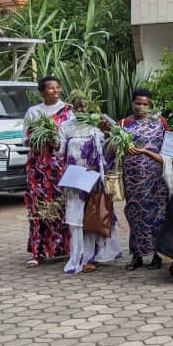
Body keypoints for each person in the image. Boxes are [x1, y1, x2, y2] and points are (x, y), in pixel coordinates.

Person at [56, 94, 122, 274]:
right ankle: (77, 256)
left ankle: (92, 257)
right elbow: (59, 152)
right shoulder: (65, 127)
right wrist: (51, 141)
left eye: (85, 107)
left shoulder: (97, 126)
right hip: (75, 179)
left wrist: (108, 132)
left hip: (93, 177)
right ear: (72, 108)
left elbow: (112, 147)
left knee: (92, 214)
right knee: (75, 217)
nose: (81, 110)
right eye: (77, 107)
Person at [23, 76, 75, 267]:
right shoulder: (34, 112)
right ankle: (39, 252)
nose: (55, 91)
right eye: (51, 88)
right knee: (39, 208)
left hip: (61, 166)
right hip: (38, 168)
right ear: (42, 92)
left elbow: (74, 138)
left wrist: (58, 143)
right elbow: (25, 139)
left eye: (57, 88)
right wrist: (39, 139)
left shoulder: (69, 112)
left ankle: (67, 249)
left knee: (62, 206)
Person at [120, 88, 169, 271]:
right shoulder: (124, 123)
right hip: (132, 177)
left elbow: (168, 146)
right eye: (138, 103)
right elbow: (112, 149)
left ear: (151, 105)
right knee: (134, 215)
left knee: (157, 214)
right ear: (132, 103)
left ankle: (157, 255)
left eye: (145, 104)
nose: (141, 107)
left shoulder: (160, 122)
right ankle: (137, 255)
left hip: (156, 176)